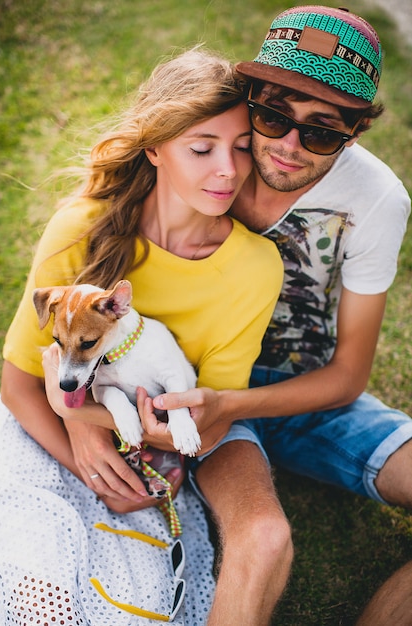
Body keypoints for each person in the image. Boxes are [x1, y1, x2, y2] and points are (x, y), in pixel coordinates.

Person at [0, 47, 283, 625]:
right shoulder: (82, 228)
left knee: (132, 610)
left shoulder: (254, 267)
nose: (228, 168)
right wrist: (81, 445)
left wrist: (113, 436)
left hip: (149, 462)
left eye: (242, 147)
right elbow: (20, 385)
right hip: (40, 440)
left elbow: (211, 417)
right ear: (154, 148)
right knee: (38, 600)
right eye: (201, 148)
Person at [143, 6, 412, 625]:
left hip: (306, 394)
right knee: (261, 537)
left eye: (321, 132)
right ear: (251, 99)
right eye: (272, 116)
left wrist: (233, 407)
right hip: (195, 386)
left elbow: (348, 375)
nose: (289, 146)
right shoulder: (205, 152)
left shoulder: (377, 200)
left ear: (355, 132)